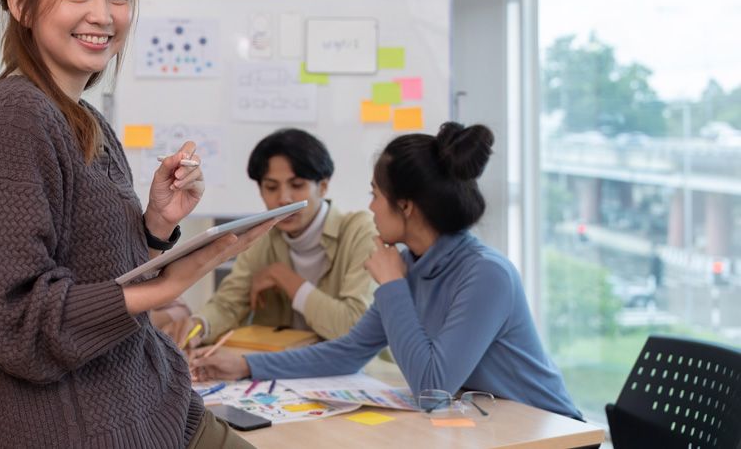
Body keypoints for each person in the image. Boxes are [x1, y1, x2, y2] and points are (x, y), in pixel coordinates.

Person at [0, 0, 278, 449]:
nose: (103, 14)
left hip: (154, 411)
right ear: (20, 5)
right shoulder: (16, 118)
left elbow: (91, 275)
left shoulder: (85, 120)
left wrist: (154, 227)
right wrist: (166, 286)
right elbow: (14, 322)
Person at [193, 122, 582, 420]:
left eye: (375, 195)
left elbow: (432, 387)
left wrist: (392, 283)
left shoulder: (485, 274)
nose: (371, 207)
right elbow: (347, 352)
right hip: (489, 426)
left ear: (406, 206)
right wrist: (246, 366)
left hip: (551, 432)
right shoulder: (410, 263)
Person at [161, 128, 376, 348]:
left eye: (297, 185)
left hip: (346, 374)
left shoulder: (360, 231)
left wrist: (284, 277)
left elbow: (354, 326)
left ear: (322, 187)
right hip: (275, 369)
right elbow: (228, 305)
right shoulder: (261, 235)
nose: (283, 198)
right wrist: (199, 325)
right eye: (271, 187)